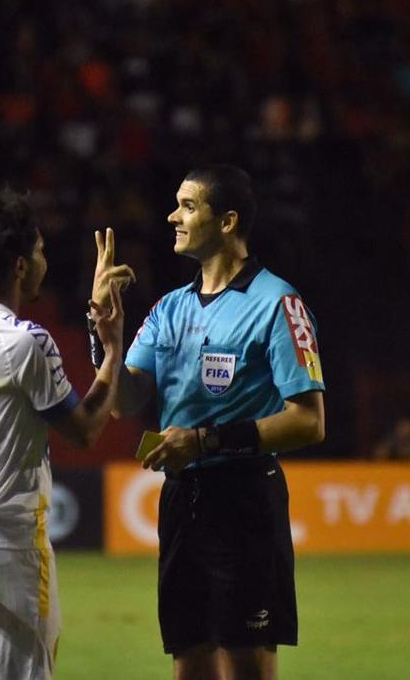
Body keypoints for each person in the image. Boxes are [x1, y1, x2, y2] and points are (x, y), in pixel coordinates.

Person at [106, 165, 326, 680]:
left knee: (246, 661)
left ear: (226, 221)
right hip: (183, 499)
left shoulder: (278, 304)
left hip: (245, 499)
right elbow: (124, 400)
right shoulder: (168, 309)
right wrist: (108, 336)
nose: (172, 216)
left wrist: (206, 440)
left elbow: (309, 421)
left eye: (187, 205)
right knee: (192, 660)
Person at [0, 189, 133, 679]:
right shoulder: (23, 341)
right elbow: (86, 429)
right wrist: (111, 349)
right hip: (11, 545)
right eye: (40, 250)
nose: (45, 258)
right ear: (19, 265)